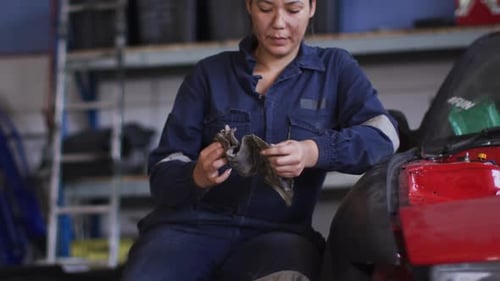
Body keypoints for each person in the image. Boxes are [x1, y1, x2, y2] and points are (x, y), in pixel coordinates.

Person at [121, 0, 400, 280]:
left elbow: (383, 136)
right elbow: (162, 172)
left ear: (312, 7)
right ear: (249, 6)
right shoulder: (208, 75)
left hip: (279, 235)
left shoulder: (335, 69)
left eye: (293, 10)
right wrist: (195, 174)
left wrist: (313, 151)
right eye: (266, 9)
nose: (279, 23)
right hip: (188, 230)